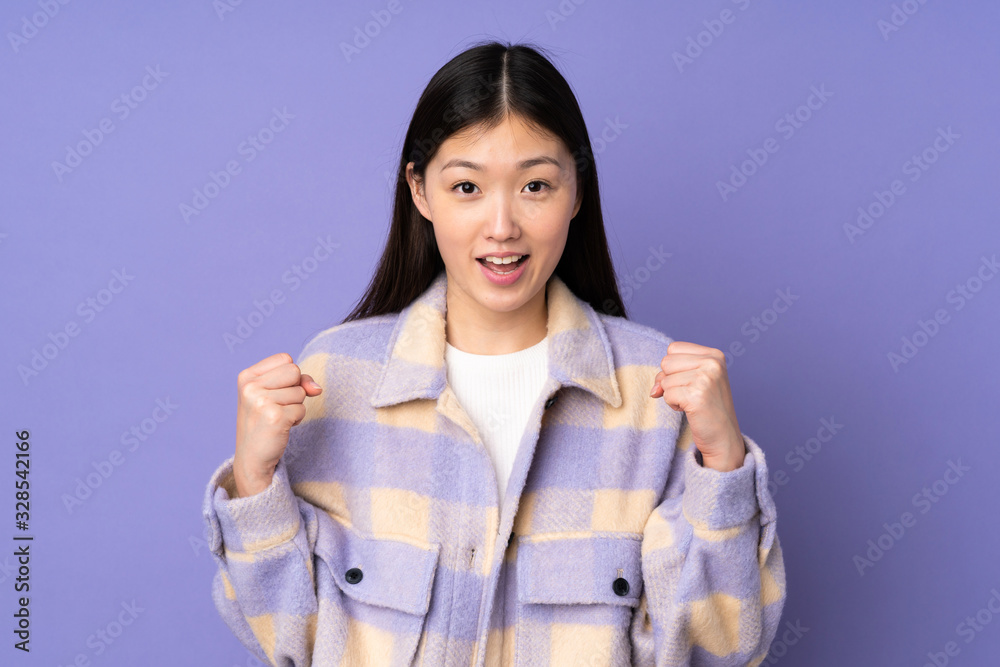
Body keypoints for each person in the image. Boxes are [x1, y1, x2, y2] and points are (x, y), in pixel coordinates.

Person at [202, 39, 786, 666]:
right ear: (420, 191)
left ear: (577, 192)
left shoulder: (658, 392)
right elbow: (289, 639)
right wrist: (254, 484)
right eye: (466, 187)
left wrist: (723, 469)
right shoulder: (334, 379)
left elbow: (719, 649)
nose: (502, 226)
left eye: (535, 185)